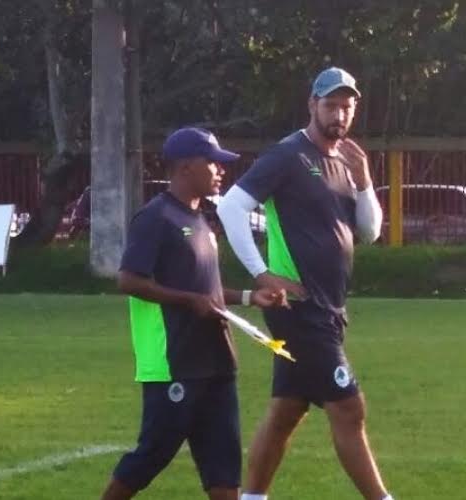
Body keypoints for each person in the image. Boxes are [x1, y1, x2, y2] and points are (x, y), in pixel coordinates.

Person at [217, 68, 393, 500]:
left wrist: (366, 182)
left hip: (329, 307)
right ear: (312, 104)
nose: (339, 114)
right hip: (298, 307)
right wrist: (260, 272)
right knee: (349, 408)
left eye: (347, 106)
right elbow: (231, 208)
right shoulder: (288, 155)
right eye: (331, 104)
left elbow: (369, 232)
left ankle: (252, 498)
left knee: (288, 410)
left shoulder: (344, 161)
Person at [100, 127, 285, 500]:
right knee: (153, 454)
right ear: (186, 167)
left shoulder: (202, 220)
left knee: (223, 466)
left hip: (217, 361)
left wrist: (251, 297)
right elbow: (128, 281)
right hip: (174, 360)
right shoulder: (155, 218)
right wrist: (188, 301)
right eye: (213, 163)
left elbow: (209, 294)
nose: (221, 170)